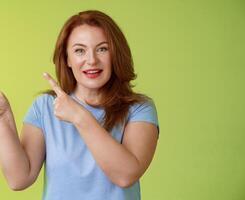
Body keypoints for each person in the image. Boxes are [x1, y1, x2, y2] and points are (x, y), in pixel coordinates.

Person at [0, 10, 159, 200]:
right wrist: (3, 118)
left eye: (102, 49)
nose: (91, 60)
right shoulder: (44, 107)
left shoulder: (140, 109)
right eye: (79, 50)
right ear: (67, 58)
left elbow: (125, 175)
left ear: (115, 54)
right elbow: (19, 179)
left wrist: (79, 116)